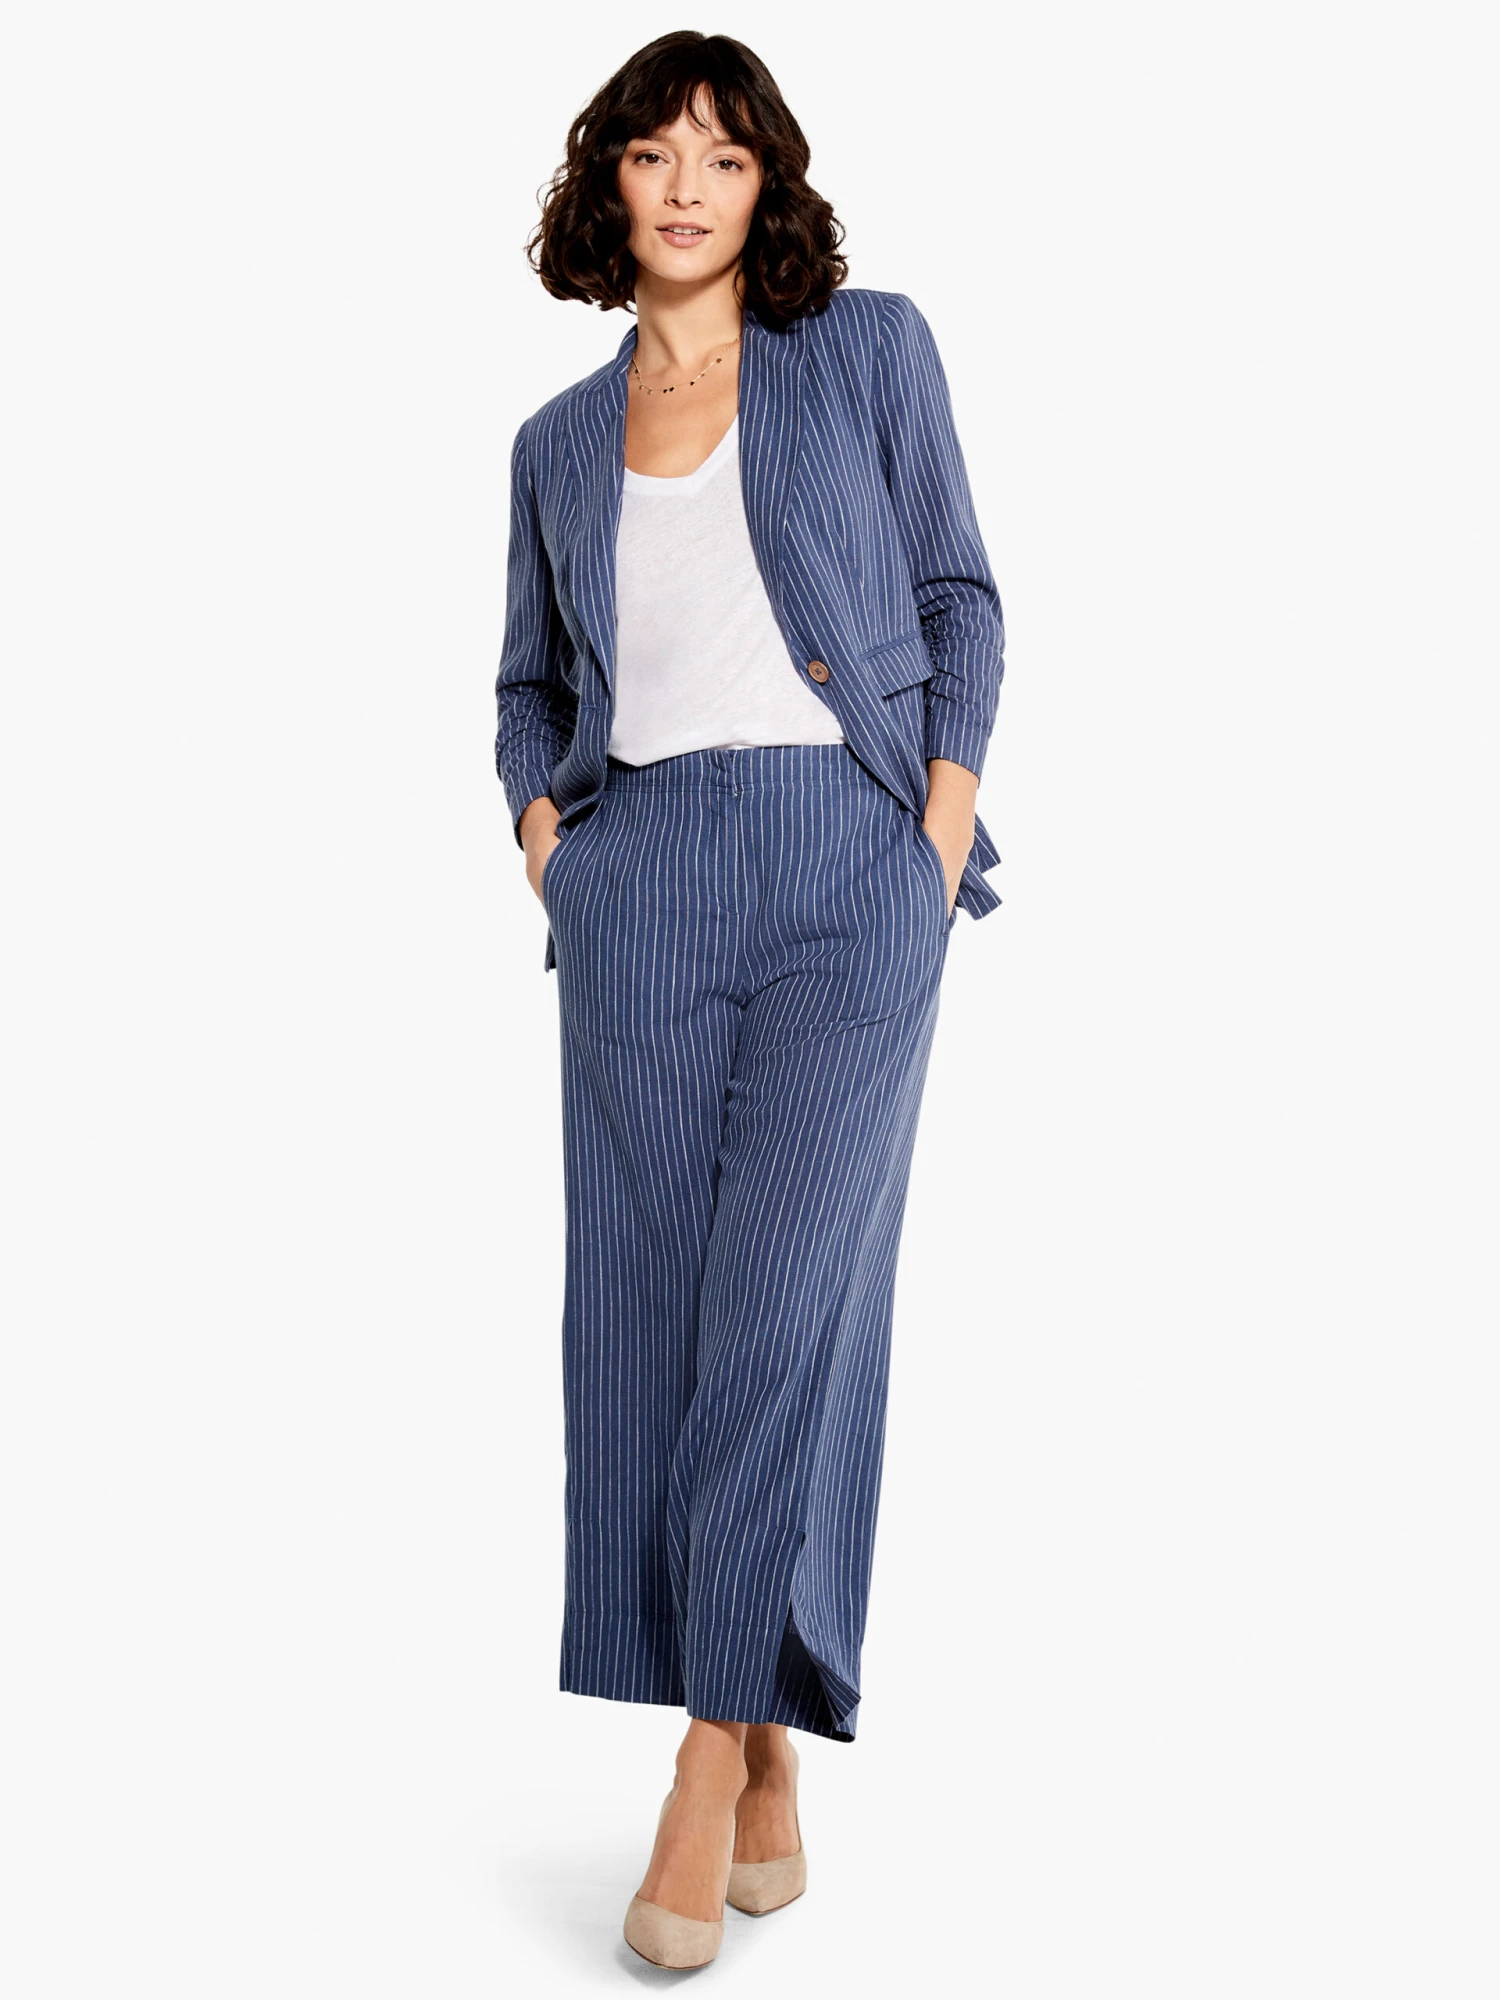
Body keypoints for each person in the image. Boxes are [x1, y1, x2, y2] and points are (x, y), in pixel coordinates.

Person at [495, 30, 1006, 1970]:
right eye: (655, 153)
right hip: (640, 893)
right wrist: (550, 844)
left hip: (847, 873)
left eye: (724, 153)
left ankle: (705, 1760)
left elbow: (961, 598)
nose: (689, 185)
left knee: (787, 1312)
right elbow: (527, 687)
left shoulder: (867, 352)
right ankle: (771, 1737)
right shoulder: (555, 442)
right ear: (610, 186)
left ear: (767, 181)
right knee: (647, 1320)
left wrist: (928, 837)